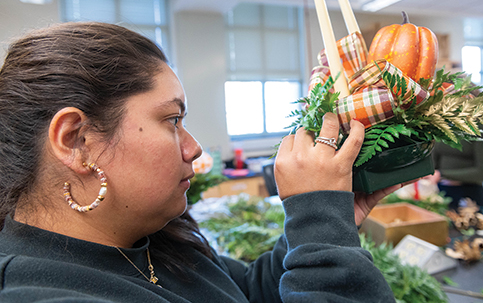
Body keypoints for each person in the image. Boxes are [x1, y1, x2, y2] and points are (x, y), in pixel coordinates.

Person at [0, 22, 399, 302]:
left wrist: (322, 221)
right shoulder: (39, 294)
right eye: (172, 120)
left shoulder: (153, 241)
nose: (193, 149)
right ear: (77, 141)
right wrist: (321, 232)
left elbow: (251, 291)